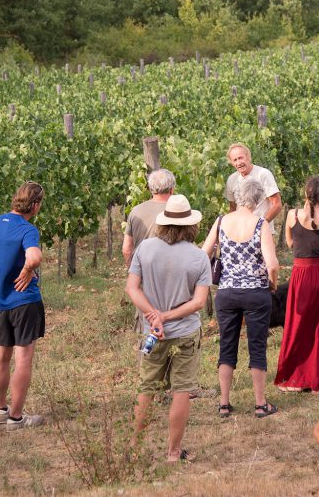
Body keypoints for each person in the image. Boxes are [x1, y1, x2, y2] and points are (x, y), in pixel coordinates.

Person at [125, 194, 210, 463]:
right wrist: (167, 315)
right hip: (184, 333)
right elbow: (198, 302)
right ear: (191, 225)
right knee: (181, 390)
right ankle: (173, 451)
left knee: (146, 389)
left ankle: (134, 448)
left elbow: (132, 288)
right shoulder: (198, 257)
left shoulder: (146, 248)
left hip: (153, 333)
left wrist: (154, 316)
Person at [202, 178, 281, 419]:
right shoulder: (260, 224)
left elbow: (205, 253)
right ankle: (260, 404)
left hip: (226, 293)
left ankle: (224, 404)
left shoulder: (221, 221)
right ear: (258, 201)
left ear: (237, 197)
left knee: (227, 345)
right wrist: (272, 283)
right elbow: (273, 264)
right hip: (255, 293)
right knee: (257, 347)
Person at [0, 181, 46, 431]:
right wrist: (27, 270)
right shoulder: (27, 229)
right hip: (24, 302)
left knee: (1, 356)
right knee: (23, 358)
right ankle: (17, 417)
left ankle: (1, 410)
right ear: (34, 205)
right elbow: (34, 256)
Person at [276, 177, 319, 392]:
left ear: (306, 194)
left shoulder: (292, 215)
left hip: (302, 274)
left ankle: (294, 378)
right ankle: (316, 383)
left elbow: (291, 243)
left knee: (298, 326)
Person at [122, 168, 176, 267]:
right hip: (171, 273)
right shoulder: (178, 212)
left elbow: (126, 249)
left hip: (142, 272)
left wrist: (134, 271)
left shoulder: (135, 211)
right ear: (172, 189)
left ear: (151, 188)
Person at [224, 143, 282, 231]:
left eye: (240, 158)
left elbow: (277, 204)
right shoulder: (232, 179)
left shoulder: (263, 174)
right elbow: (233, 208)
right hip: (241, 232)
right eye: (235, 160)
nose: (238, 162)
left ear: (248, 156)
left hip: (263, 232)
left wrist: (259, 226)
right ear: (232, 163)